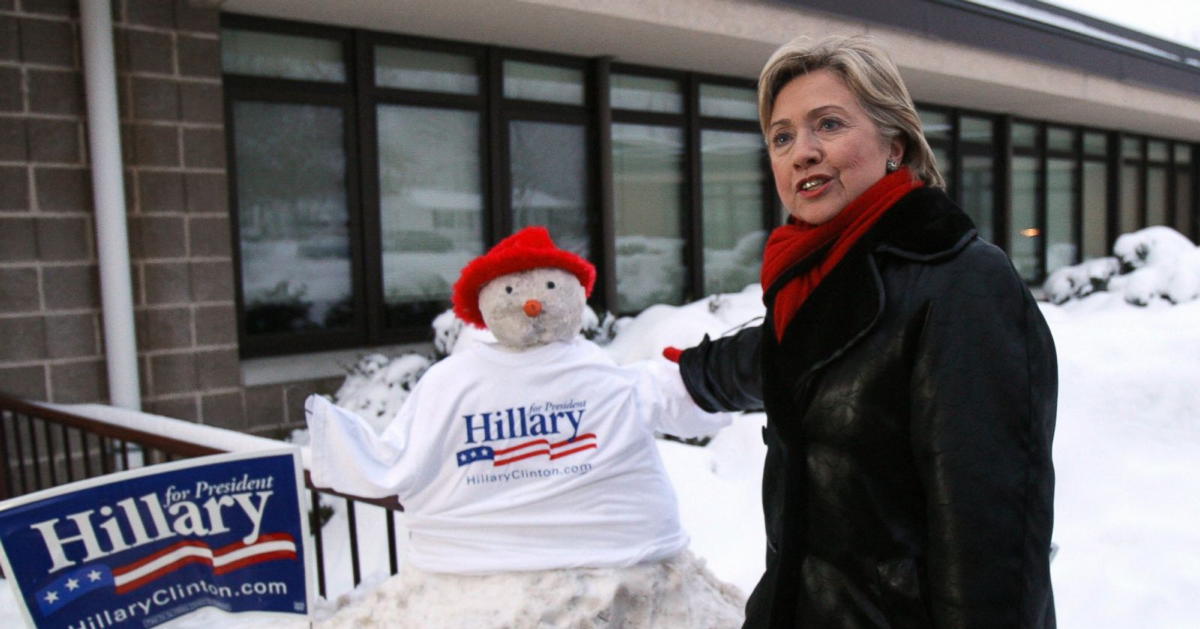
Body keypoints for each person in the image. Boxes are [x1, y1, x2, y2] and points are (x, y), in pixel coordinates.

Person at [672, 35, 1058, 628]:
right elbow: (782, 358)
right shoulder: (810, 277)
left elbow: (991, 540)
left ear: (895, 144)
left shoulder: (962, 284)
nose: (802, 152)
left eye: (828, 125)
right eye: (782, 136)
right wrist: (676, 377)